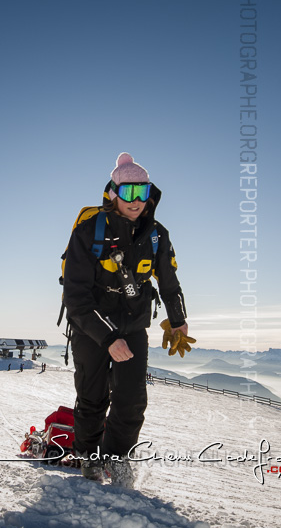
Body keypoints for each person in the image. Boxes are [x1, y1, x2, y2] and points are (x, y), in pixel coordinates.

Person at [62, 152, 188, 486]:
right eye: (129, 193)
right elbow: (75, 297)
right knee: (93, 397)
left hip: (133, 326)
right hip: (92, 327)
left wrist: (178, 320)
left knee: (131, 400)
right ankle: (89, 459)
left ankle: (116, 460)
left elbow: (169, 279)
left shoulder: (157, 234)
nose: (136, 201)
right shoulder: (89, 232)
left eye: (143, 192)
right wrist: (107, 338)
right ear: (114, 193)